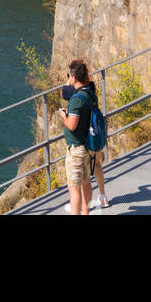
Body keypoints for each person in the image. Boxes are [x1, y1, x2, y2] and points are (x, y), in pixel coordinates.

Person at [58, 60, 94, 215]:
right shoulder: (89, 92)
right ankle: (85, 212)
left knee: (74, 187)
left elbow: (72, 125)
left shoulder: (76, 99)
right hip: (87, 146)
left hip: (76, 148)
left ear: (73, 77)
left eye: (69, 75)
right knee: (86, 182)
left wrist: (64, 116)